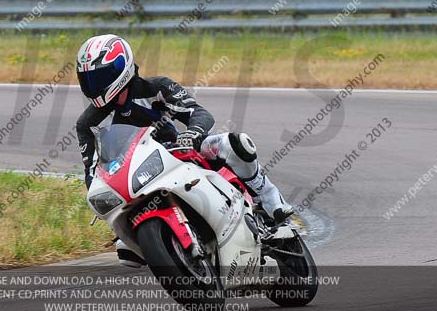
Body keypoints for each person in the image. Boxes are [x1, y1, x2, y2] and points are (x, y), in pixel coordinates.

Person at [75, 34, 295, 267]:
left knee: (233, 142)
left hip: (178, 153)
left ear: (122, 68)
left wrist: (192, 134)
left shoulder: (156, 88)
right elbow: (92, 172)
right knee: (127, 251)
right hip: (135, 180)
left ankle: (271, 202)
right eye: (87, 79)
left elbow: (198, 112)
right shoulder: (87, 123)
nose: (94, 86)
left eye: (99, 77)